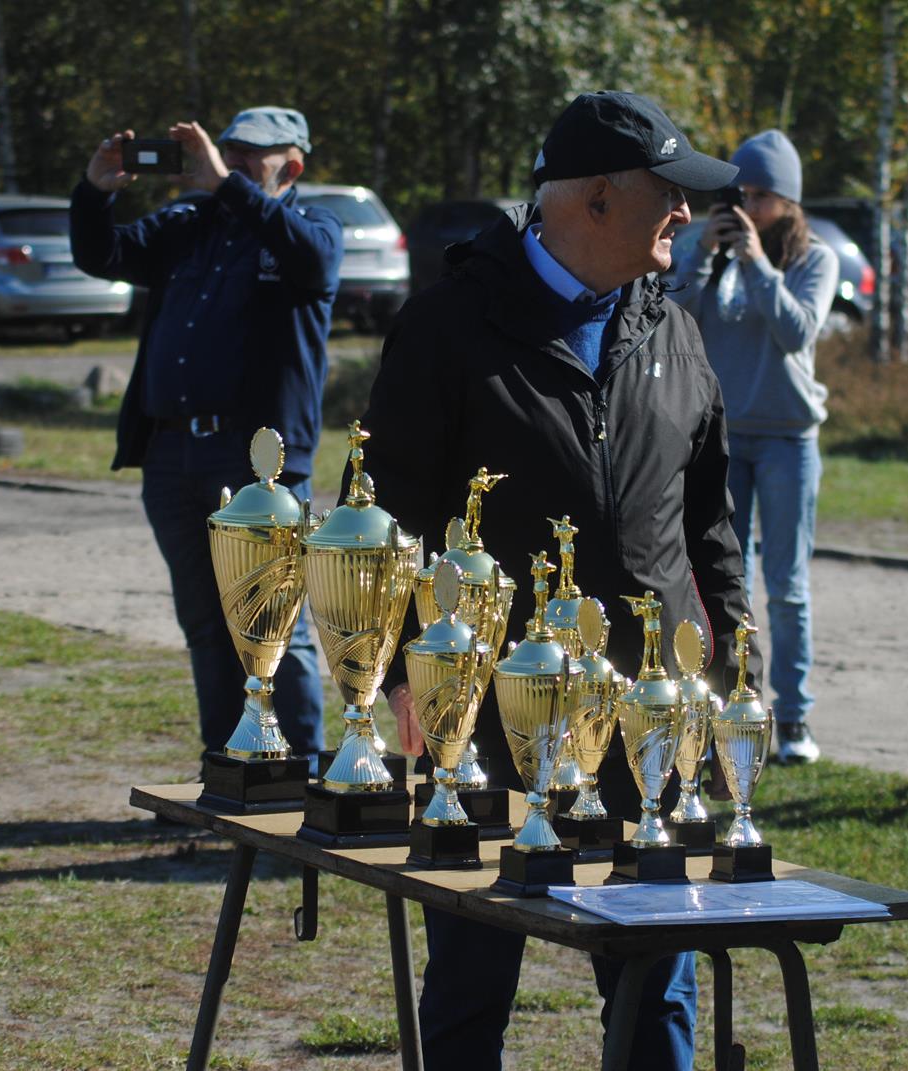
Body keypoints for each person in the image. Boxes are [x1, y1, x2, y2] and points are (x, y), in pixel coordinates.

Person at [354, 91, 764, 1071]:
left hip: (645, 719)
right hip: (491, 712)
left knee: (655, 978)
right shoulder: (449, 328)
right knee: (468, 982)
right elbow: (385, 513)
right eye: (668, 194)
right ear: (589, 201)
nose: (685, 214)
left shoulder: (673, 331)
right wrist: (405, 681)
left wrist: (739, 660)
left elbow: (708, 521)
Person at [69, 107, 341, 773]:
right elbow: (102, 254)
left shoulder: (309, 228)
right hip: (172, 455)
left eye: (253, 157)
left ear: (292, 165)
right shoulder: (190, 226)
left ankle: (300, 774)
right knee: (205, 624)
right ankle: (230, 775)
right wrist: (97, 190)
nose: (234, 166)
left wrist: (227, 186)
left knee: (277, 627)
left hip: (259, 466)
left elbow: (313, 261)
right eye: (228, 154)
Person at [671, 129, 838, 766]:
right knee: (718, 579)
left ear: (788, 202)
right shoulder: (704, 249)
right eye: (739, 193)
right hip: (722, 440)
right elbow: (674, 318)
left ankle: (793, 719)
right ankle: (724, 706)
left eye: (762, 196)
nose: (747, 208)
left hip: (791, 440)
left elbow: (797, 333)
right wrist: (704, 259)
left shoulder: (814, 259)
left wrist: (758, 263)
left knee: (787, 584)